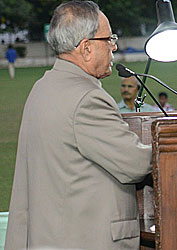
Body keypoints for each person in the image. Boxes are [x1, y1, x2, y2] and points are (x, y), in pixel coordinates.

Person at [5, 2, 152, 250]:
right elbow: (137, 164)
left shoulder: (43, 87)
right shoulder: (87, 99)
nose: (114, 46)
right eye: (109, 38)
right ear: (86, 48)